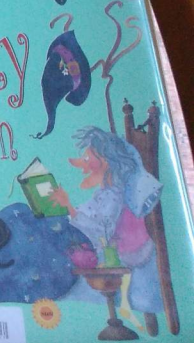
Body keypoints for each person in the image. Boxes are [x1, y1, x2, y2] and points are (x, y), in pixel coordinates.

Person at [51, 125, 164, 326]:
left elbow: (99, 227)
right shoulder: (106, 192)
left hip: (127, 253)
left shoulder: (114, 194)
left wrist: (68, 207)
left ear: (105, 161)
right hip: (113, 248)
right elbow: (91, 214)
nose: (83, 166)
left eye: (88, 159)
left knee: (80, 279)